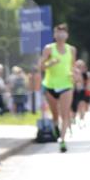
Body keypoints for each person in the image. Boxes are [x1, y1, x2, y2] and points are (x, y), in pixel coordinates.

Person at [39, 23, 75, 152]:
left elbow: (72, 66)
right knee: (55, 114)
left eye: (63, 32)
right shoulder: (49, 48)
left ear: (67, 35)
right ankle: (55, 127)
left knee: (65, 113)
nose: (61, 35)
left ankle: (63, 140)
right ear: (54, 35)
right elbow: (41, 66)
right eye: (58, 33)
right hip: (50, 85)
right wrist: (50, 63)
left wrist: (73, 74)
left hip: (66, 84)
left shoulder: (71, 50)